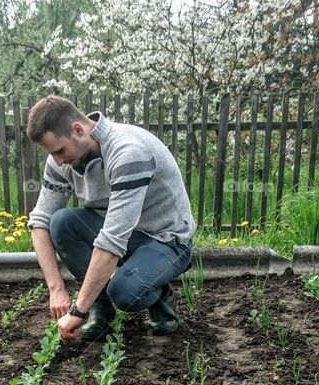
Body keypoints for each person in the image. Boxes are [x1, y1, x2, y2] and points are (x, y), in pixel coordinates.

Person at [26, 95, 196, 343]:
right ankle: (101, 310)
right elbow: (39, 222)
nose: (58, 160)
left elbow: (112, 241)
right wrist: (56, 289)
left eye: (60, 150)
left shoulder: (128, 152)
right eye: (52, 154)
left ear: (78, 130)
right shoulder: (60, 161)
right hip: (122, 233)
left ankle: (159, 294)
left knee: (125, 293)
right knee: (62, 223)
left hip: (166, 239)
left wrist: (77, 311)